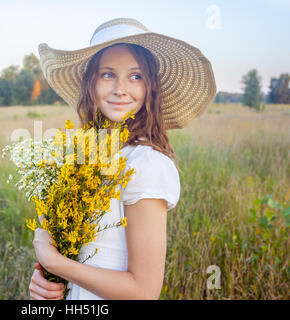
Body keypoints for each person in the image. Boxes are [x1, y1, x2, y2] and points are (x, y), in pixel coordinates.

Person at [29, 18, 216, 300]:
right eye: (107, 74)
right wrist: (47, 281)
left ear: (149, 87)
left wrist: (56, 263)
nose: (120, 88)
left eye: (135, 76)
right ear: (90, 83)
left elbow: (143, 291)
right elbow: (81, 254)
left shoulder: (145, 163)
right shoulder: (85, 158)